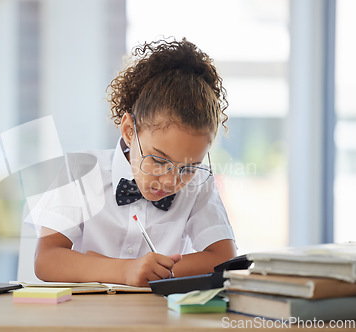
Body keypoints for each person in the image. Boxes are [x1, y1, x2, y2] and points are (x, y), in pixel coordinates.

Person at [32, 37, 236, 287]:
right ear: (129, 131)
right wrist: (124, 271)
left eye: (189, 167)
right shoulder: (80, 171)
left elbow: (224, 259)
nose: (172, 180)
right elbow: (47, 259)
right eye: (159, 160)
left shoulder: (199, 187)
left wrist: (142, 270)